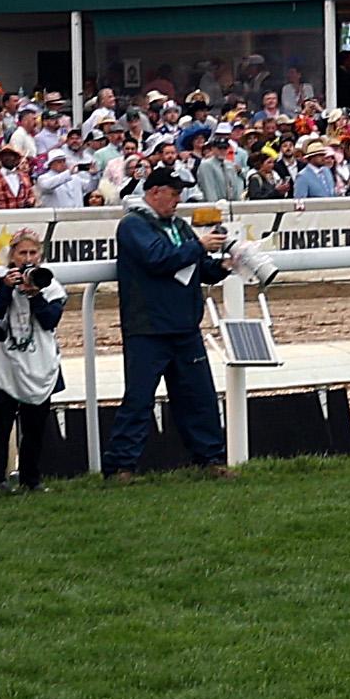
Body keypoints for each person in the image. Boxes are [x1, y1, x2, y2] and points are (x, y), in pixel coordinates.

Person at [104, 167, 230, 473]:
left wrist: (226, 264)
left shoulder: (180, 227)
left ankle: (211, 461)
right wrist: (199, 246)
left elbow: (201, 269)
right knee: (139, 400)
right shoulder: (133, 225)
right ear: (154, 192)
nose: (178, 200)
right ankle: (121, 466)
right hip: (148, 329)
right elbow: (158, 259)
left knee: (199, 399)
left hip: (184, 327)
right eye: (173, 194)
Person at [0, 248, 68, 491]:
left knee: (35, 427)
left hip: (40, 363)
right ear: (12, 257)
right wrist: (8, 287)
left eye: (32, 253)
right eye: (22, 253)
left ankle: (32, 478)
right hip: (6, 365)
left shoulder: (50, 285)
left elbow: (50, 320)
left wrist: (35, 295)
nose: (27, 259)